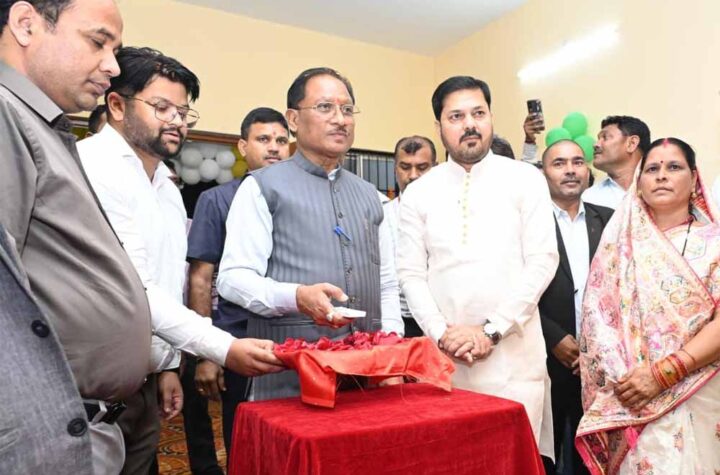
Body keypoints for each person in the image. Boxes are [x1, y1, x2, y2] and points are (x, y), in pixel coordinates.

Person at [77, 47, 284, 473]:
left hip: (141, 381)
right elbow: (134, 288)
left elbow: (170, 283)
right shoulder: (92, 167)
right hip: (87, 387)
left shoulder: (168, 189)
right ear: (117, 105)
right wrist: (223, 348)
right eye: (162, 107)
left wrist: (168, 365)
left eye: (183, 111)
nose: (176, 120)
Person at [0, 2, 152, 472]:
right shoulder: (6, 113)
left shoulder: (38, 123)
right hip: (39, 434)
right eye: (98, 42)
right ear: (26, 24)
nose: (113, 65)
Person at [396, 76, 558, 461]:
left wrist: (491, 329)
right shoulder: (419, 192)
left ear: (490, 118)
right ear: (439, 126)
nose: (470, 124)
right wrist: (442, 334)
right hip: (445, 363)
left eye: (478, 113)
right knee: (449, 463)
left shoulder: (525, 179)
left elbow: (542, 261)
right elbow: (410, 274)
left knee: (513, 462)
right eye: (456, 116)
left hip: (513, 362)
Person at [218, 67, 403, 401]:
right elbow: (232, 279)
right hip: (289, 376)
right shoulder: (261, 187)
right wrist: (296, 296)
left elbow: (387, 284)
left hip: (367, 376)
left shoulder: (373, 197)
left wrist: (391, 348)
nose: (340, 119)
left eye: (347, 110)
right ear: (293, 119)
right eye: (325, 107)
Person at [576, 138, 720, 474]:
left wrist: (663, 374)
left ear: (694, 179)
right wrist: (628, 383)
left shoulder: (714, 244)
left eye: (674, 167)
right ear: (639, 182)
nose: (661, 176)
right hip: (629, 396)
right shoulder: (619, 247)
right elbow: (598, 326)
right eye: (652, 168)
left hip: (698, 390)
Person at [187, 107, 290, 460]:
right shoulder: (217, 200)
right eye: (263, 139)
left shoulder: (298, 197)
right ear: (243, 147)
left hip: (293, 340)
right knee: (246, 445)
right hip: (241, 341)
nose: (274, 147)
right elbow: (200, 279)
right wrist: (208, 353)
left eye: (281, 140)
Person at [538, 140, 613, 475]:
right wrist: (553, 337)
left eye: (577, 162)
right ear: (543, 172)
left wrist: (594, 348)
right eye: (559, 163)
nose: (570, 170)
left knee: (593, 459)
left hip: (599, 363)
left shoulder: (609, 220)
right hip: (545, 356)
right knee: (544, 456)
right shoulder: (529, 222)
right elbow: (513, 288)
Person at [384, 135, 436, 337]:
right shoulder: (381, 216)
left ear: (435, 168)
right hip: (395, 321)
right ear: (395, 169)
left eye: (422, 167)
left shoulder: (452, 214)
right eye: (405, 167)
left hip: (442, 320)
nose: (413, 175)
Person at [582, 115, 650, 209]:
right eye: (598, 139)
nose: (595, 145)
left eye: (605, 137)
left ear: (631, 143)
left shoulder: (661, 189)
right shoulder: (588, 199)